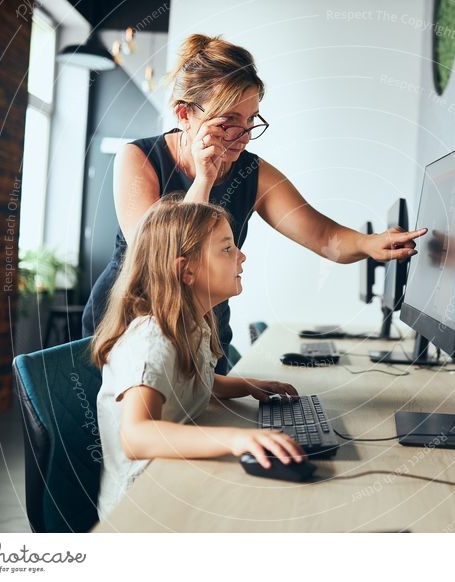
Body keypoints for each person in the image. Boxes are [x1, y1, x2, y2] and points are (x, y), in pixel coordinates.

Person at [82, 33, 427, 374]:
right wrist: (203, 179)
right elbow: (159, 257)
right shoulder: (140, 158)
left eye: (250, 120)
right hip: (132, 331)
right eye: (228, 120)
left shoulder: (251, 171)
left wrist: (371, 244)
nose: (243, 135)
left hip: (205, 333)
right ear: (184, 114)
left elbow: (323, 237)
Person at [91, 198, 305, 520]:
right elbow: (137, 436)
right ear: (187, 270)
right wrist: (236, 439)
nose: (242, 256)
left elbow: (187, 381)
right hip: (140, 506)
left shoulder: (191, 326)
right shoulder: (152, 341)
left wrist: (245, 385)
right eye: (227, 249)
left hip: (171, 477)